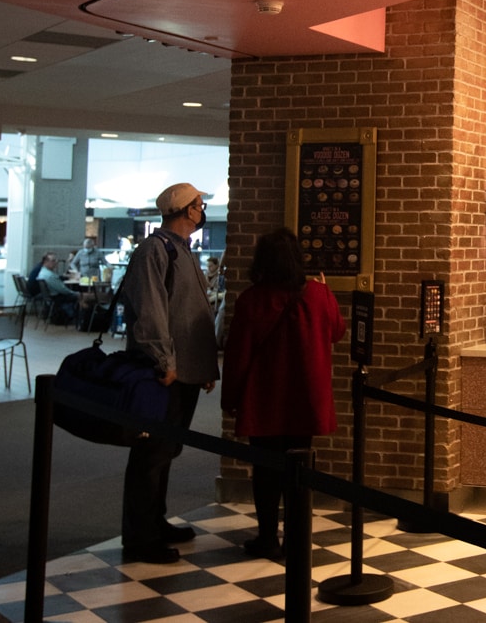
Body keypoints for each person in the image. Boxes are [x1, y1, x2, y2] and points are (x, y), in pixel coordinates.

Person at [221, 228, 344, 560]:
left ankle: (266, 537)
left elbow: (237, 355)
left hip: (263, 401)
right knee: (299, 472)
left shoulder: (251, 299)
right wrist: (327, 290)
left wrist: (230, 399)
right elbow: (337, 332)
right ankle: (296, 538)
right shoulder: (317, 295)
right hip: (305, 400)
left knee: (265, 473)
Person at [120, 184, 219, 565]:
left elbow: (193, 313)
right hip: (165, 373)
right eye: (199, 204)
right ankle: (140, 536)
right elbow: (151, 311)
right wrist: (165, 361)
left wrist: (203, 366)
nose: (202, 209)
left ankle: (155, 522)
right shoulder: (154, 250)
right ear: (186, 210)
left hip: (184, 372)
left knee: (166, 452)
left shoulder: (181, 251)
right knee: (150, 454)